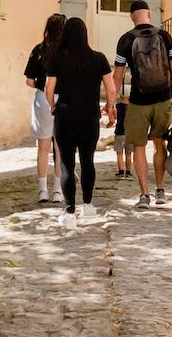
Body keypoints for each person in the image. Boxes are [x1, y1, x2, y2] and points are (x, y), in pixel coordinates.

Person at [115, 0, 172, 208]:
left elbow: (117, 77)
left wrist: (111, 104)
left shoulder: (125, 40)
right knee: (160, 145)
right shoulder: (164, 36)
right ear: (149, 14)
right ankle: (160, 190)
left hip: (138, 102)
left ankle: (144, 196)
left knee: (139, 147)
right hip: (163, 99)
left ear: (132, 17)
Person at [45, 16, 118, 228]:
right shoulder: (98, 59)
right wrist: (110, 106)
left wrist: (52, 106)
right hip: (89, 117)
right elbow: (111, 88)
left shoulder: (57, 59)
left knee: (67, 165)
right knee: (88, 161)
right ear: (85, 34)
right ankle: (87, 206)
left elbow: (49, 89)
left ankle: (69, 214)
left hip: (65, 116)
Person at [24, 13, 64, 206]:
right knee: (60, 148)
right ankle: (58, 190)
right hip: (63, 98)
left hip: (42, 99)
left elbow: (29, 81)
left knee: (43, 148)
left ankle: (42, 190)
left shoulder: (39, 50)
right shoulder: (66, 51)